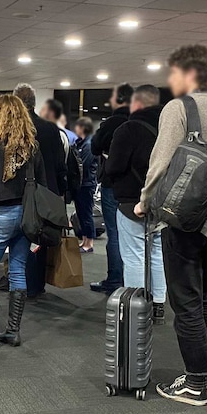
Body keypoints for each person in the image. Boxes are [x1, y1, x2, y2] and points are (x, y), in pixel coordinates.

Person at [136, 44, 207, 406]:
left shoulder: (179, 108)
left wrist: (144, 202)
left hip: (187, 218)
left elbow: (160, 164)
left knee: (184, 299)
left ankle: (196, 383)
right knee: (203, 296)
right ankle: (206, 374)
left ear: (189, 74)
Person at [0, 94, 47, 347]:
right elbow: (42, 185)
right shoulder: (31, 146)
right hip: (26, 217)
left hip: (1, 215)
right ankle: (13, 330)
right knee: (17, 270)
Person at [104, 85, 167, 325]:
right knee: (158, 254)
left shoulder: (128, 129)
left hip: (132, 201)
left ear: (137, 103)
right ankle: (159, 304)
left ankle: (136, 305)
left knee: (133, 256)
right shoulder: (170, 128)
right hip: (163, 202)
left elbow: (114, 167)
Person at [12, 84, 66, 298]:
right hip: (47, 192)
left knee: (20, 236)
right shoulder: (51, 128)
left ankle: (20, 282)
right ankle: (36, 284)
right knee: (40, 237)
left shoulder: (13, 129)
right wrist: (61, 192)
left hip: (20, 193)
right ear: (35, 103)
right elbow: (61, 164)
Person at [90, 83, 134, 293]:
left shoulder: (113, 122)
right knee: (137, 236)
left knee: (114, 233)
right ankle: (133, 281)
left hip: (112, 185)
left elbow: (94, 146)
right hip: (138, 187)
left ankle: (115, 280)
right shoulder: (141, 121)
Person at [73, 117, 97, 253]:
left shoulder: (88, 145)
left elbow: (83, 164)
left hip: (86, 184)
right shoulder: (80, 143)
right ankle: (84, 240)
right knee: (81, 213)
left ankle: (90, 243)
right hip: (80, 185)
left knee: (86, 213)